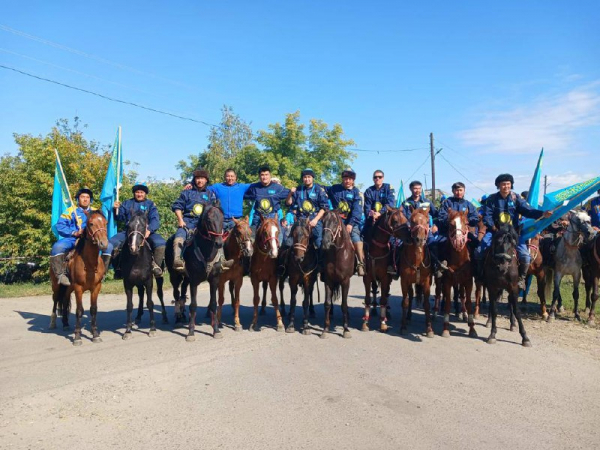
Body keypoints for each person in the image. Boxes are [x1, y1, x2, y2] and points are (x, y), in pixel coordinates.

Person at [475, 173, 552, 289]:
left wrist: (542, 214)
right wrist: (493, 228)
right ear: (498, 186)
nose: (506, 186)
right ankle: (480, 276)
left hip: (513, 234)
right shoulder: (491, 199)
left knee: (526, 256)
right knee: (479, 250)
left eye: (508, 184)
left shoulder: (516, 198)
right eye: (503, 184)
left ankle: (521, 279)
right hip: (494, 231)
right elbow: (487, 216)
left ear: (511, 185)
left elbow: (528, 211)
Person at [50, 187, 113, 286]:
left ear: (90, 200)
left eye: (87, 197)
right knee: (57, 247)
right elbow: (60, 226)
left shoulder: (96, 212)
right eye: (82, 197)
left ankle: (103, 272)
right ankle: (60, 274)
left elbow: (103, 225)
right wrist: (74, 232)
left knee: (109, 246)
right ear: (78, 199)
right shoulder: (70, 211)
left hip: (92, 239)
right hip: (73, 238)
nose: (85, 199)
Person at [110, 182, 166, 277]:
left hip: (147, 232)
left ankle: (155, 266)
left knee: (160, 243)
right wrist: (116, 210)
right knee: (111, 243)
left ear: (145, 193)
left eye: (141, 192)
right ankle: (118, 268)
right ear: (134, 193)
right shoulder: (126, 203)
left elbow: (155, 220)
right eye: (137, 192)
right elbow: (120, 218)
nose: (139, 194)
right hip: (128, 232)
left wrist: (149, 230)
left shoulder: (150, 204)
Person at [171, 167, 218, 272]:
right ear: (194, 179)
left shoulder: (210, 194)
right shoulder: (186, 192)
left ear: (206, 180)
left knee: (218, 237)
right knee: (179, 238)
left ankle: (220, 261)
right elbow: (177, 207)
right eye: (197, 178)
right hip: (188, 223)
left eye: (202, 178)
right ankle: (177, 260)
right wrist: (180, 220)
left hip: (204, 225)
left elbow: (214, 211)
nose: (199, 181)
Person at [326, 168, 366, 276]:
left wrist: (351, 224)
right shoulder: (334, 189)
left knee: (355, 238)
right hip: (336, 222)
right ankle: (322, 263)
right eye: (345, 178)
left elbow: (357, 211)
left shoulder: (356, 193)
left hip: (350, 222)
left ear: (353, 180)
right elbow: (322, 189)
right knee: (325, 235)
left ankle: (360, 263)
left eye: (349, 179)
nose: (347, 181)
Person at [401, 180, 446, 274]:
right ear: (410, 189)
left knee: (433, 244)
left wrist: (435, 225)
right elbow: (403, 218)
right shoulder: (405, 203)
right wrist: (408, 226)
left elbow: (436, 215)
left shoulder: (427, 202)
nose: (417, 190)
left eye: (419, 188)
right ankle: (396, 268)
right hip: (410, 232)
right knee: (399, 246)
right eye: (415, 188)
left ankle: (436, 267)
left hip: (425, 232)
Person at [436, 182, 480, 272]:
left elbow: (475, 217)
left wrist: (467, 221)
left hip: (464, 233)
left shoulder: (468, 204)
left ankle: (476, 268)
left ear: (464, 191)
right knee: (437, 243)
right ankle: (439, 267)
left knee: (477, 244)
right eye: (456, 190)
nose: (458, 192)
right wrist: (451, 221)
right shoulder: (447, 203)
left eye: (460, 190)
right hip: (449, 232)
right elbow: (441, 217)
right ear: (453, 191)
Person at [285, 168, 329, 251]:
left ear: (312, 178)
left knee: (319, 243)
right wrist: (290, 193)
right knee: (288, 243)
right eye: (305, 177)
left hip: (314, 221)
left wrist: (315, 220)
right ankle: (283, 264)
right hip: (300, 221)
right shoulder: (298, 190)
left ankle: (321, 262)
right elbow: (288, 203)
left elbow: (324, 208)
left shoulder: (319, 190)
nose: (307, 179)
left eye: (309, 177)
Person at [244, 165, 290, 236]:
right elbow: (242, 195)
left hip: (273, 217)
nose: (264, 177)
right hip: (258, 218)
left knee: (279, 241)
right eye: (262, 175)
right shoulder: (254, 187)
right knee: (252, 239)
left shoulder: (278, 188)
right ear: (259, 176)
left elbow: (292, 194)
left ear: (270, 176)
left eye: (266, 175)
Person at [207, 168, 251, 233]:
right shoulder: (217, 187)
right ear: (225, 177)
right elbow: (203, 187)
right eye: (228, 176)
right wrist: (192, 185)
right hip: (221, 220)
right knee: (218, 241)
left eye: (232, 176)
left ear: (236, 177)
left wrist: (271, 181)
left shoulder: (242, 187)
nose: (230, 178)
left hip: (236, 220)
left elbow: (256, 185)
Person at [363, 170, 396, 238]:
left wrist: (380, 213)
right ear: (373, 179)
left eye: (380, 177)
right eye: (375, 177)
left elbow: (390, 204)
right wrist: (371, 214)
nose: (377, 178)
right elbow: (367, 206)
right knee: (364, 234)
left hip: (387, 217)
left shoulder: (389, 188)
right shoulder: (368, 191)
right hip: (373, 218)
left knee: (394, 235)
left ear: (383, 178)